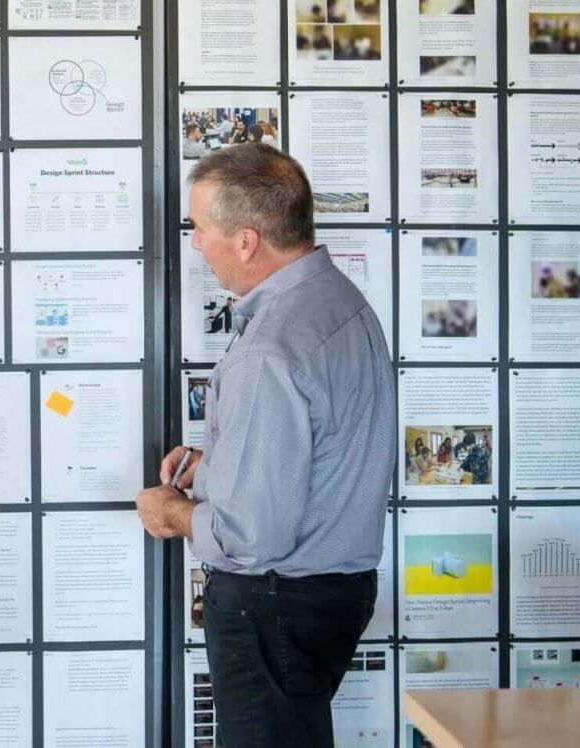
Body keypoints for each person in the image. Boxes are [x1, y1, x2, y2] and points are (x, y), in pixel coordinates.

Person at [134, 144, 394, 747]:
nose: (196, 244)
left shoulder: (271, 346)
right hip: (329, 594)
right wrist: (217, 465)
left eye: (200, 228)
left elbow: (254, 537)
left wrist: (175, 514)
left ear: (247, 240)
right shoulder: (340, 302)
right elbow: (322, 447)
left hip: (273, 605)